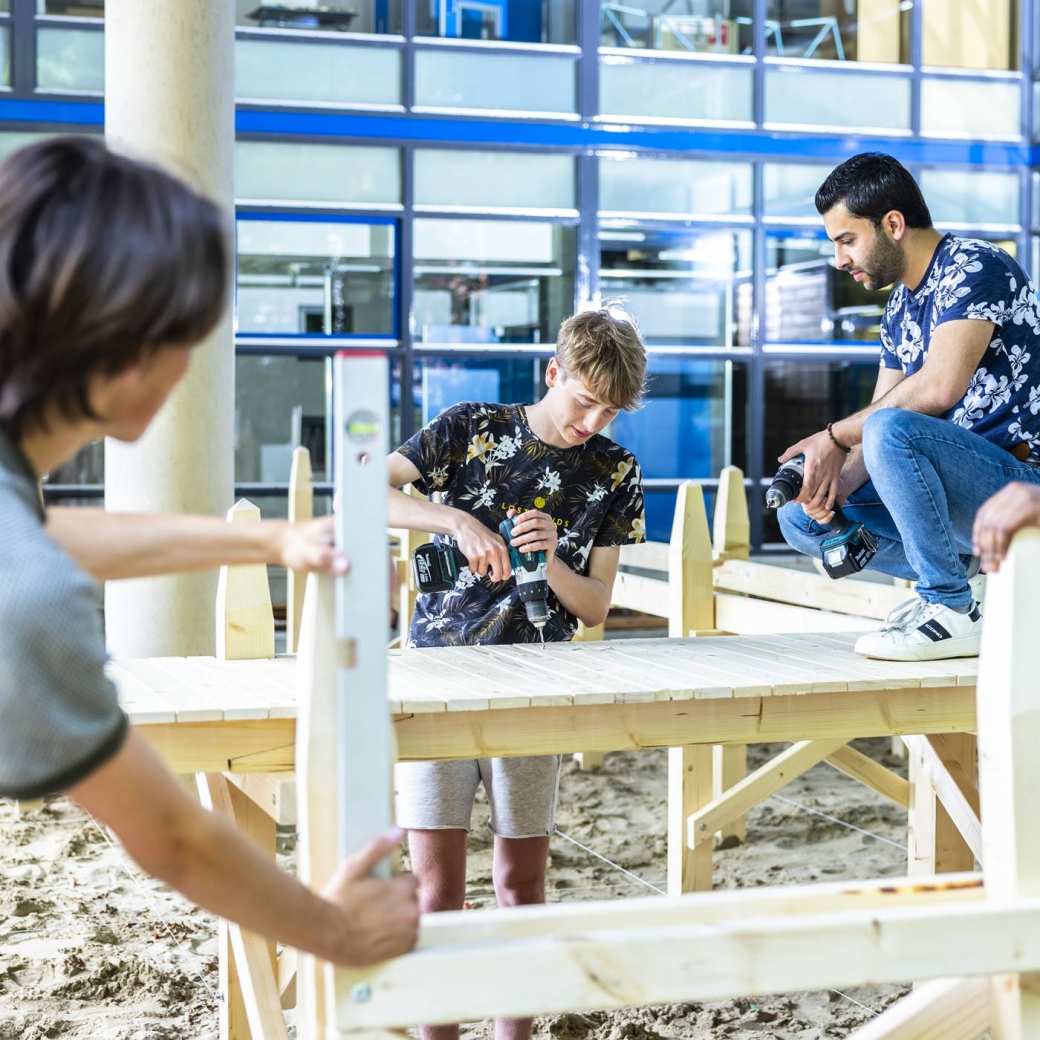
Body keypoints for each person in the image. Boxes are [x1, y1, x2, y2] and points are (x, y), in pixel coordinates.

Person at [0, 136, 418, 969]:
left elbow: (39, 540)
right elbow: (172, 838)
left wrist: (265, 538)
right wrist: (336, 931)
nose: (192, 364)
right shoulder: (30, 600)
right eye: (186, 336)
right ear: (124, 354)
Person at [386, 306, 647, 1040]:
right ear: (553, 372)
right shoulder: (469, 427)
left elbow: (594, 607)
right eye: (584, 400)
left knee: (519, 885)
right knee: (437, 890)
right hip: (436, 682)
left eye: (612, 410)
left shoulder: (616, 471)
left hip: (536, 684)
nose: (593, 421)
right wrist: (456, 522)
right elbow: (366, 488)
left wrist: (553, 558)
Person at [776, 152, 1040, 662]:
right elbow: (880, 412)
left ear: (893, 224)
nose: (839, 260)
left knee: (890, 431)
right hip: (968, 494)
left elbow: (938, 388)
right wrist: (830, 483)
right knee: (799, 515)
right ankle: (968, 582)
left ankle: (951, 607)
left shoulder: (975, 266)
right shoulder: (900, 306)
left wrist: (834, 436)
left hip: (1022, 488)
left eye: (846, 240)